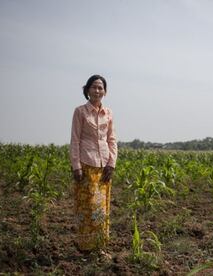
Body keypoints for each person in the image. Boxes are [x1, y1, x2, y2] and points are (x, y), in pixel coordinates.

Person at [70, 74, 118, 251]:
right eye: (94, 87)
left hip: (104, 167)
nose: (97, 90)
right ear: (87, 90)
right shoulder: (80, 112)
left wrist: (111, 163)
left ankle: (100, 246)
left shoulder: (109, 113)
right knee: (88, 207)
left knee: (102, 209)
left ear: (104, 92)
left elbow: (112, 140)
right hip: (86, 165)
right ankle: (85, 246)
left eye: (100, 87)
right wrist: (76, 166)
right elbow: (75, 140)